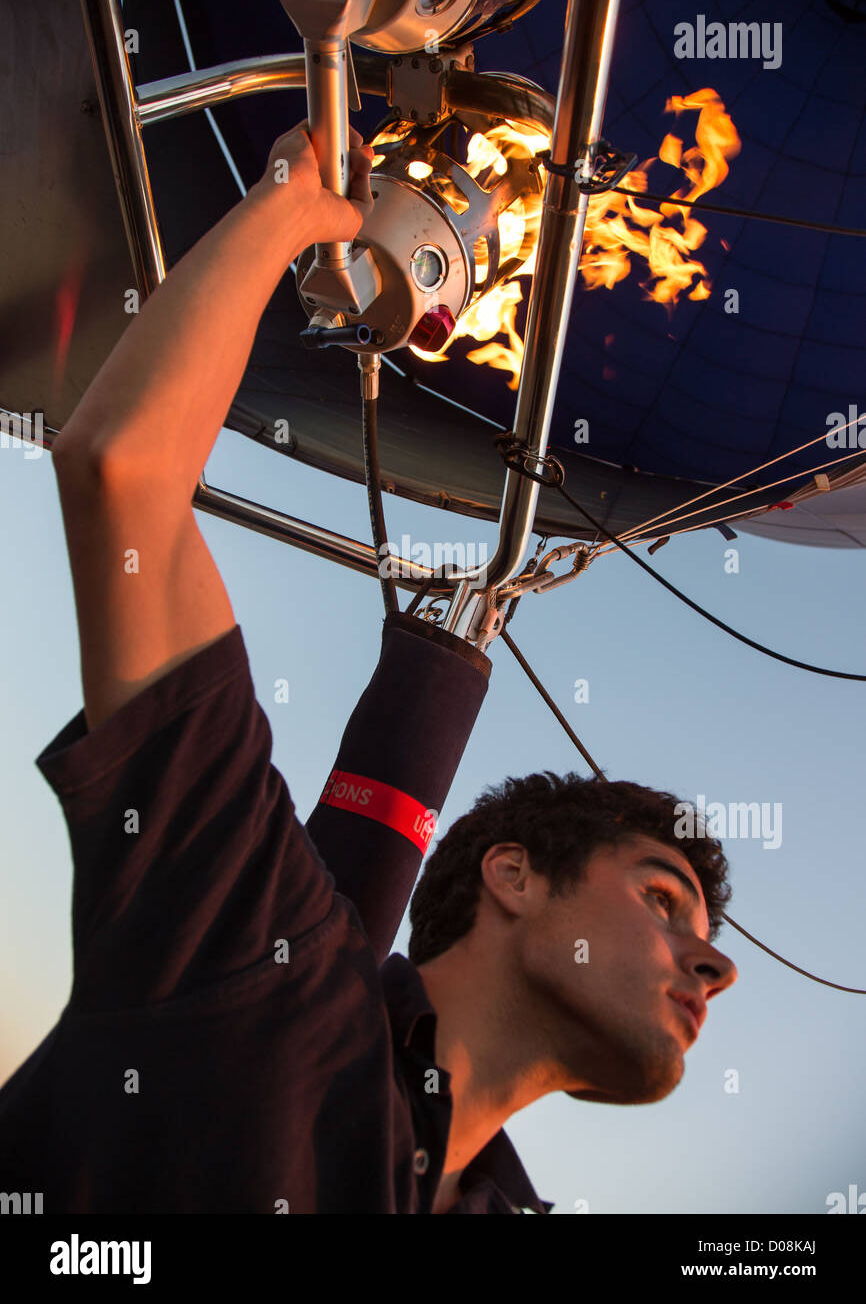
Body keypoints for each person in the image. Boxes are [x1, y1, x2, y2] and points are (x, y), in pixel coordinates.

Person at [0, 122, 737, 1214]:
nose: (712, 968)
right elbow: (124, 474)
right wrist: (298, 205)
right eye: (664, 900)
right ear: (512, 877)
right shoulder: (259, 955)